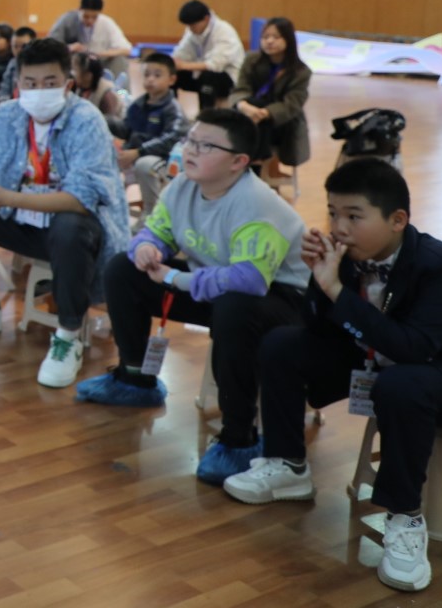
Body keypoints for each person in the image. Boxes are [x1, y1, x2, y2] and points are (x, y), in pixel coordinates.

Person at [223, 160, 442, 594]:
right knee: (283, 344)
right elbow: (317, 330)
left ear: (397, 220)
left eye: (354, 216)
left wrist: (336, 291)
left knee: (401, 383)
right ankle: (287, 464)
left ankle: (405, 517)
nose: (338, 227)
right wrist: (320, 281)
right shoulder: (349, 258)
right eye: (333, 213)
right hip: (375, 360)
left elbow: (412, 349)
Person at [76, 109, 310, 484]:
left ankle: (239, 438)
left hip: (283, 301)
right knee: (123, 269)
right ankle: (135, 380)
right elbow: (156, 230)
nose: (191, 150)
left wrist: (175, 278)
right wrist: (147, 248)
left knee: (234, 308)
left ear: (238, 162)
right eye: (190, 140)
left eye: (206, 146)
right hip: (218, 285)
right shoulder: (184, 184)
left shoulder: (256, 204)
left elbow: (249, 280)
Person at [0, 38, 131, 390]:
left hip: (77, 233)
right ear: (18, 83)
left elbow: (80, 200)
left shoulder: (86, 120)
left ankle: (67, 336)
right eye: (30, 83)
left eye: (49, 83)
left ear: (67, 84)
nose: (38, 92)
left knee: (69, 226)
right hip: (22, 222)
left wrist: (3, 196)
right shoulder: (9, 114)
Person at [232, 16, 312, 183]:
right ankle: (253, 167)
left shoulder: (301, 71)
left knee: (260, 118)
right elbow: (240, 89)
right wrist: (243, 105)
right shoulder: (251, 60)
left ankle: (253, 167)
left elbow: (292, 105)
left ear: (288, 39)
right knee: (245, 111)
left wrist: (265, 113)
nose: (269, 41)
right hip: (248, 113)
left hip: (281, 122)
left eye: (276, 37)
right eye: (265, 37)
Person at [112, 52, 189, 219]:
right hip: (134, 154)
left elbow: (172, 138)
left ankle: (151, 215)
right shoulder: (137, 105)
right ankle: (113, 210)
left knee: (144, 165)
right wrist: (107, 121)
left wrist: (139, 152)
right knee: (106, 156)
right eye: (146, 75)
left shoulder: (173, 108)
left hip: (164, 160)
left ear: (172, 80)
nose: (150, 79)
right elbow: (126, 130)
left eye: (157, 75)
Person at [173, 0, 245, 110]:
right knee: (172, 74)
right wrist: (172, 63)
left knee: (208, 77)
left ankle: (206, 113)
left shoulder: (224, 31)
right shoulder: (192, 31)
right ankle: (169, 110)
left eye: (193, 25)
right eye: (188, 26)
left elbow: (215, 65)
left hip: (229, 78)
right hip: (202, 74)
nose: (190, 29)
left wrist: (183, 65)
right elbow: (182, 53)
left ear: (206, 19)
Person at [50, 0, 133, 80]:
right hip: (74, 63)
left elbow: (127, 50)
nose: (90, 21)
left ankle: (117, 88)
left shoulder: (106, 22)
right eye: (86, 16)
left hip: (99, 62)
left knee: (120, 60)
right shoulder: (67, 20)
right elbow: (51, 47)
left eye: (94, 17)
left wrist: (98, 54)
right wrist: (69, 48)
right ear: (79, 10)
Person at [72, 52, 126, 126]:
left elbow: (110, 125)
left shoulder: (106, 96)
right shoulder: (79, 88)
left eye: (75, 70)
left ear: (88, 76)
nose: (72, 74)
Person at [0, 26, 39, 103]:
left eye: (24, 46)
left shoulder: (40, 65)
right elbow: (4, 89)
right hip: (12, 103)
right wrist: (5, 103)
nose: (19, 50)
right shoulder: (12, 63)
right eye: (15, 46)